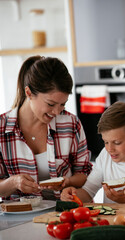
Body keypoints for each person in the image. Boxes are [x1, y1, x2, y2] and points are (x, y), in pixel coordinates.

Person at [0, 56, 92, 200]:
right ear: (29, 93)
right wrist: (13, 182)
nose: (56, 112)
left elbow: (84, 174)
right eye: (50, 104)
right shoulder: (2, 128)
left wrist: (68, 183)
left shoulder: (71, 124)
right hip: (17, 217)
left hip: (65, 214)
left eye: (62, 104)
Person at [61, 101, 125, 203]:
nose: (110, 149)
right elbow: (88, 192)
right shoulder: (105, 156)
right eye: (106, 142)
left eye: (117, 142)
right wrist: (72, 195)